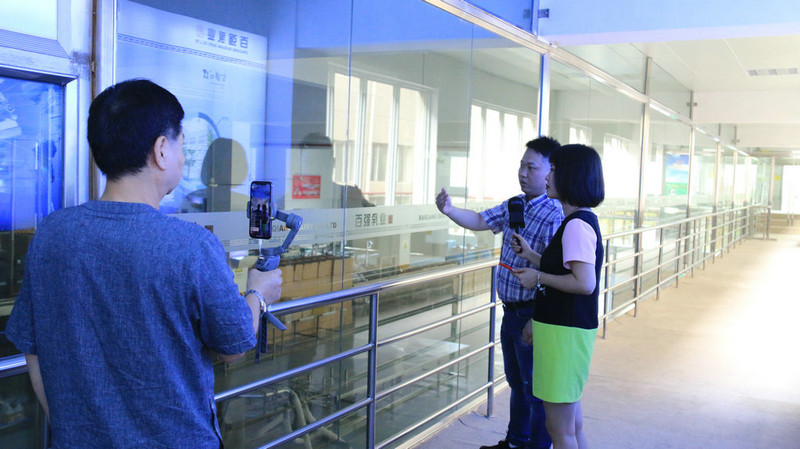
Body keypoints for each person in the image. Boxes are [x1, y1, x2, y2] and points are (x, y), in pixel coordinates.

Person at [5, 79, 282, 449]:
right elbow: (234, 345)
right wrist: (258, 294)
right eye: (181, 145)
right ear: (161, 150)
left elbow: (33, 347)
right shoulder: (190, 245)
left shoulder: (52, 234)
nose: (183, 157)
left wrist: (72, 431)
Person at [435, 136, 563, 449]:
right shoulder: (514, 204)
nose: (523, 173)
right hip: (510, 311)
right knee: (517, 384)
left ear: (550, 171)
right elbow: (481, 220)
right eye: (521, 166)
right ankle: (516, 441)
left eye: (531, 167)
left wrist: (538, 317)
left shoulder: (555, 214)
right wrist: (449, 210)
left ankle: (537, 445)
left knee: (535, 390)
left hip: (532, 313)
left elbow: (557, 271)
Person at [511, 144, 605, 449]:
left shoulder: (576, 225)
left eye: (553, 170)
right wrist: (532, 256)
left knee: (560, 429)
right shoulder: (578, 221)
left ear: (571, 176)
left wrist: (537, 277)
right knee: (571, 426)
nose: (547, 177)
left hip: (564, 336)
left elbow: (584, 283)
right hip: (564, 333)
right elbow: (568, 269)